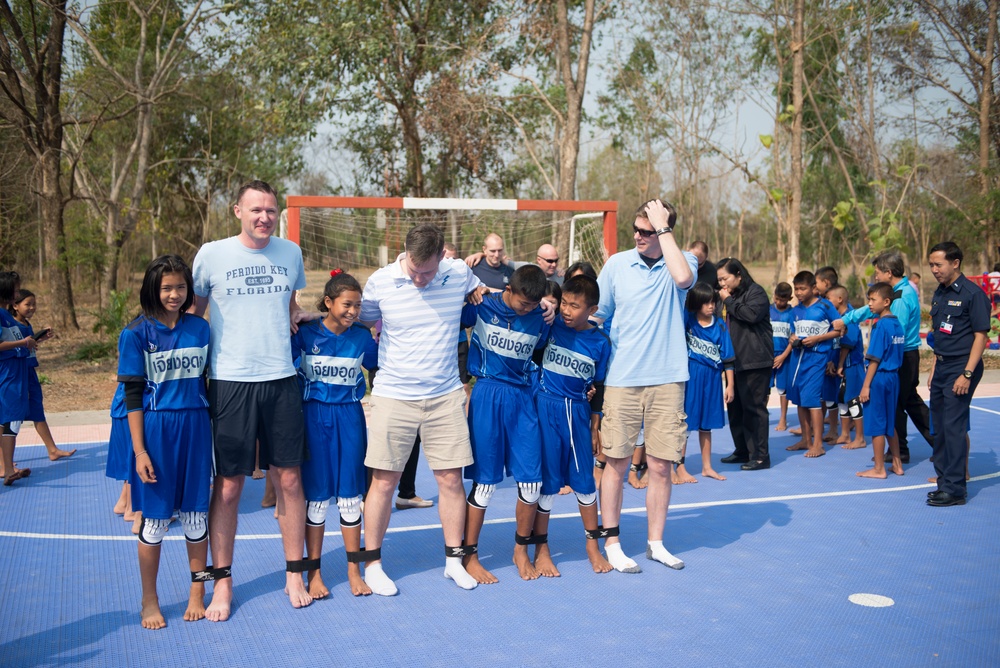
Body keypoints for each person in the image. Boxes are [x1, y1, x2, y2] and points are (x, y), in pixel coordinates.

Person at [191, 179, 315, 620]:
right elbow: (194, 315)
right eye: (256, 209)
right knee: (228, 487)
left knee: (290, 481)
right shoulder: (212, 254)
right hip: (229, 381)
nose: (264, 217)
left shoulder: (290, 253)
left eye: (271, 210)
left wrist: (296, 312)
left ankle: (294, 572)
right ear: (238, 211)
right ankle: (222, 584)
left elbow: (290, 303)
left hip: (282, 379)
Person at [359, 223, 484, 596]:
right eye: (414, 270)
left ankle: (452, 561)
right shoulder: (380, 282)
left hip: (445, 395)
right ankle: (373, 564)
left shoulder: (459, 272)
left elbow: (485, 291)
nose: (419, 279)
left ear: (443, 257)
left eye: (427, 272)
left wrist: (542, 302)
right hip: (394, 395)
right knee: (384, 482)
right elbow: (360, 317)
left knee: (450, 480)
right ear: (405, 255)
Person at [595, 199, 695, 573]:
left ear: (665, 232)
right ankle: (614, 543)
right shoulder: (618, 264)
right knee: (616, 465)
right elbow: (598, 314)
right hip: (622, 380)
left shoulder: (682, 261)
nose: (638, 236)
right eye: (635, 229)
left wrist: (664, 228)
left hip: (668, 380)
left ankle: (656, 543)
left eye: (647, 231)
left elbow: (684, 279)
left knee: (659, 467)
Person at [118, 254, 213, 630]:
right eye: (166, 287)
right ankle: (149, 600)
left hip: (197, 428)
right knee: (155, 523)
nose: (174, 294)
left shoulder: (201, 329)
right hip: (157, 432)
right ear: (152, 290)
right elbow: (132, 397)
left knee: (196, 517)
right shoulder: (136, 333)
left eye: (180, 287)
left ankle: (198, 592)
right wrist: (140, 450)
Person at [461, 265, 550, 583]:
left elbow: (544, 351)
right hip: (486, 395)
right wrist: (469, 287)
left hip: (523, 400)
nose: (527, 309)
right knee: (484, 483)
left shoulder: (541, 316)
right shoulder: (481, 305)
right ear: (508, 289)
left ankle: (520, 551)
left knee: (532, 483)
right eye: (523, 302)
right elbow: (446, 319)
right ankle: (468, 555)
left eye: (533, 304)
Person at [292, 270, 379, 598]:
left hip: (350, 419)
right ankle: (313, 574)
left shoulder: (361, 337)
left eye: (357, 306)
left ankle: (353, 570)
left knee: (349, 499)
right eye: (346, 304)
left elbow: (380, 367)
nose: (353, 311)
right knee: (316, 501)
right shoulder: (303, 334)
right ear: (328, 302)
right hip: (313, 418)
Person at [531, 274, 612, 574]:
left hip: (578, 414)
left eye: (574, 306)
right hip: (546, 409)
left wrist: (595, 425)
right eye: (564, 303)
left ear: (591, 310)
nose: (566, 310)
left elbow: (599, 386)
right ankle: (541, 549)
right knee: (548, 484)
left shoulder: (601, 343)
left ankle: (593, 546)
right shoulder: (550, 327)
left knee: (585, 482)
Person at [840, 250, 930, 464]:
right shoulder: (899, 293)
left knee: (904, 402)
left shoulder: (899, 300)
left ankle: (936, 443)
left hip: (900, 357)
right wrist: (848, 318)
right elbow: (871, 310)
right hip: (900, 356)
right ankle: (901, 452)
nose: (875, 277)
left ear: (889, 273)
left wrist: (867, 383)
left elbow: (890, 337)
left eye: (878, 273)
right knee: (901, 403)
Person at [926, 241, 990, 506]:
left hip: (961, 367)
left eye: (938, 264)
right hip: (942, 366)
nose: (934, 270)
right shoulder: (940, 293)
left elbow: (980, 336)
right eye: (931, 265)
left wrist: (967, 372)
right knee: (939, 428)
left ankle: (955, 490)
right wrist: (933, 367)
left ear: (955, 263)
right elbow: (939, 335)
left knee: (953, 428)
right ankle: (944, 482)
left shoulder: (973, 294)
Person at [716, 258, 774, 470]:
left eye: (725, 278)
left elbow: (750, 315)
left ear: (739, 275)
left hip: (755, 360)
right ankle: (742, 450)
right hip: (734, 361)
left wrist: (728, 301)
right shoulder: (729, 296)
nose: (722, 284)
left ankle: (760, 456)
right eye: (719, 280)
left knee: (754, 409)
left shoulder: (756, 293)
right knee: (735, 408)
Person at [9, 289, 75, 462]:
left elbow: (27, 346)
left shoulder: (25, 324)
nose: (32, 307)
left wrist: (39, 339)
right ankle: (5, 460)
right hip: (17, 374)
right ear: (15, 306)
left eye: (34, 304)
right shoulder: (10, 324)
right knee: (12, 417)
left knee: (37, 409)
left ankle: (52, 450)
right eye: (27, 304)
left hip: (30, 373)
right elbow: (14, 348)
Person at [786, 271, 845, 459]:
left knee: (812, 400)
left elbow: (839, 330)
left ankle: (818, 444)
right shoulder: (794, 310)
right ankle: (806, 439)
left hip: (816, 358)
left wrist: (818, 338)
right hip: (797, 359)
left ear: (813, 288)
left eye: (802, 288)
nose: (799, 292)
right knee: (799, 399)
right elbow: (792, 333)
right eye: (796, 289)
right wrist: (793, 337)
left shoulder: (825, 306)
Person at [681, 282, 735, 481]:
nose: (711, 306)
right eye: (706, 303)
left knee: (706, 426)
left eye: (713, 302)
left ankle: (707, 467)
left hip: (712, 380)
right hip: (691, 378)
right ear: (697, 304)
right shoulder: (688, 321)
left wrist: (730, 385)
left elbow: (728, 359)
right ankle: (678, 467)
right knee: (684, 424)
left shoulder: (720, 326)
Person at [853, 282, 905, 479]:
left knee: (877, 423)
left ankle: (879, 468)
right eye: (869, 299)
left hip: (880, 377)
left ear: (886, 301)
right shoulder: (896, 324)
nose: (870, 304)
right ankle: (897, 464)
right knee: (890, 421)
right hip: (894, 377)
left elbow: (874, 358)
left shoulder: (881, 325)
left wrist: (866, 386)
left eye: (873, 300)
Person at [0, 270, 33, 485]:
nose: (17, 292)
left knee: (7, 419)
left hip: (17, 370)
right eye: (15, 288)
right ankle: (9, 468)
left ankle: (6, 466)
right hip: (8, 373)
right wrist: (22, 344)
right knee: (11, 418)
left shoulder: (5, 315)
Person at [829, 286, 867, 451]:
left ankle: (860, 437)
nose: (828, 303)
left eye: (829, 299)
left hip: (852, 364)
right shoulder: (839, 317)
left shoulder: (849, 317)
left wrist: (840, 364)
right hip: (842, 365)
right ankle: (844, 434)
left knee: (853, 399)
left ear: (839, 299)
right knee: (842, 398)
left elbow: (847, 344)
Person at [814, 267, 842, 442]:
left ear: (826, 283)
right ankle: (817, 426)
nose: (814, 287)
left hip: (836, 359)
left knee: (834, 394)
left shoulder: (838, 310)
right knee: (824, 393)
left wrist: (833, 360)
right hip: (826, 357)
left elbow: (839, 339)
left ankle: (834, 429)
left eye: (816, 283)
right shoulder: (825, 304)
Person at [467, 243, 565, 285]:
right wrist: (481, 254)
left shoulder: (562, 277)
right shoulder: (528, 270)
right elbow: (499, 259)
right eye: (550, 261)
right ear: (539, 260)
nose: (554, 264)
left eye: (556, 261)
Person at [769, 282, 795, 432]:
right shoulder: (767, 311)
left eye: (782, 300)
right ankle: (763, 418)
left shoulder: (792, 314)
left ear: (789, 299)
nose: (779, 302)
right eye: (777, 299)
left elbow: (793, 337)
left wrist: (784, 356)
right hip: (768, 355)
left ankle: (783, 418)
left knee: (782, 389)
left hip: (785, 356)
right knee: (764, 388)